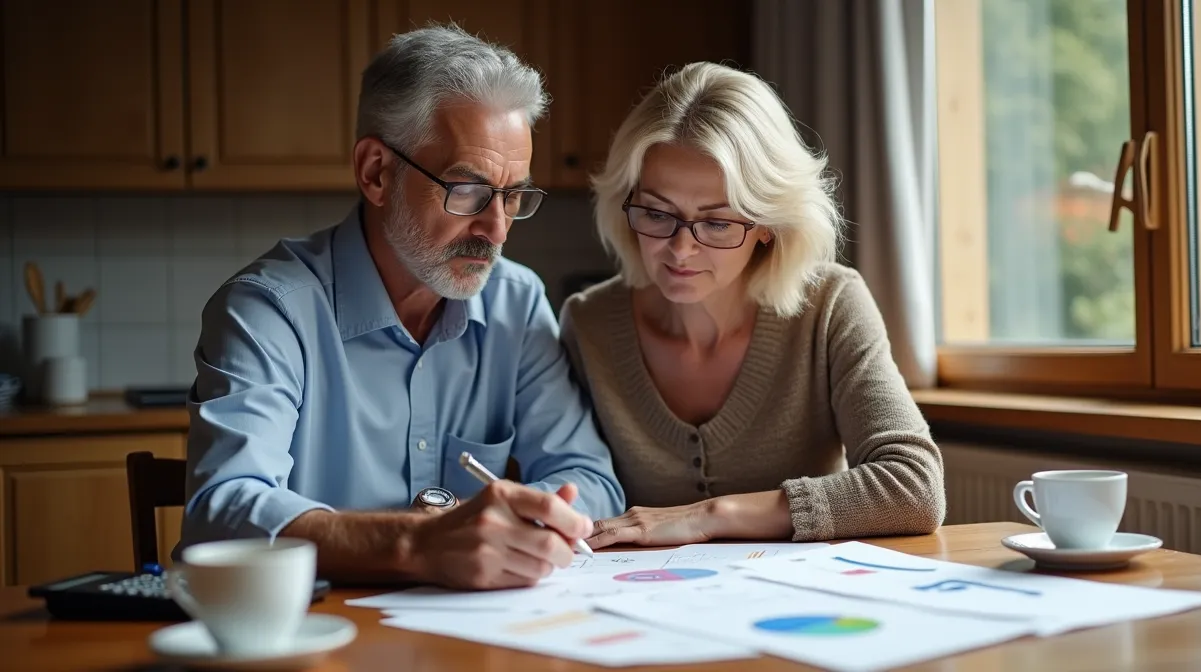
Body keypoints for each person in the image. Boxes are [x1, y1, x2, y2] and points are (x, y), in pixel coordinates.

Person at [176, 24, 624, 590]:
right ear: (376, 173)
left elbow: (589, 480)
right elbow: (221, 513)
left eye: (513, 196)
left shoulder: (516, 302)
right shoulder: (268, 311)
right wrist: (415, 543)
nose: (497, 229)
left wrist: (540, 520)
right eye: (468, 190)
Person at [560, 62, 945, 549]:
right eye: (657, 213)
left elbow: (914, 487)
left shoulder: (829, 305)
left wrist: (710, 515)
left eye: (717, 223)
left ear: (768, 224)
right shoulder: (588, 323)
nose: (680, 250)